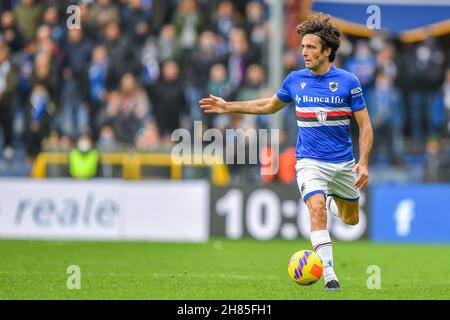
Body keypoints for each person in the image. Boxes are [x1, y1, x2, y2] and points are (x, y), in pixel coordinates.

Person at [199, 14, 373, 291]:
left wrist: (363, 162)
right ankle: (330, 276)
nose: (304, 52)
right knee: (315, 208)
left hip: (343, 164)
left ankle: (331, 202)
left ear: (327, 51)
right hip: (309, 162)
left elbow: (365, 126)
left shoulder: (348, 82)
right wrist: (228, 106)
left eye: (311, 47)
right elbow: (268, 105)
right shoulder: (295, 80)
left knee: (351, 219)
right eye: (303, 46)